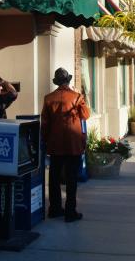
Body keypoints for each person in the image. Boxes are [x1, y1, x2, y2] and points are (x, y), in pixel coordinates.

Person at [41, 67, 90, 223]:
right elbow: (86, 115)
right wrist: (80, 98)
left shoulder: (48, 98)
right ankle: (70, 212)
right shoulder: (76, 97)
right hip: (73, 144)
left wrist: (46, 140)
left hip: (55, 145)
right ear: (68, 81)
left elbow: (45, 124)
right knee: (71, 179)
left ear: (57, 82)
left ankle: (54, 209)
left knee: (54, 178)